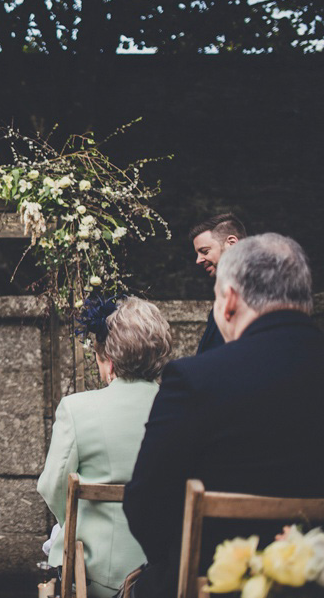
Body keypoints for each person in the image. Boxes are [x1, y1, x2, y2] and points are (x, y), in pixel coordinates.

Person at [123, 233, 324, 598]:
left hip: (212, 584)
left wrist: (186, 567)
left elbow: (145, 505)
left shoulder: (194, 379)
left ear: (229, 301)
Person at [37, 297, 172, 598]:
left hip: (97, 575)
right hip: (165, 569)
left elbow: (51, 486)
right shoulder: (178, 408)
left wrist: (72, 521)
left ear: (109, 358)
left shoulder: (77, 409)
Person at [188, 213, 247, 354]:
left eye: (204, 251)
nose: (198, 260)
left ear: (232, 243)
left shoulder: (257, 293)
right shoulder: (226, 293)